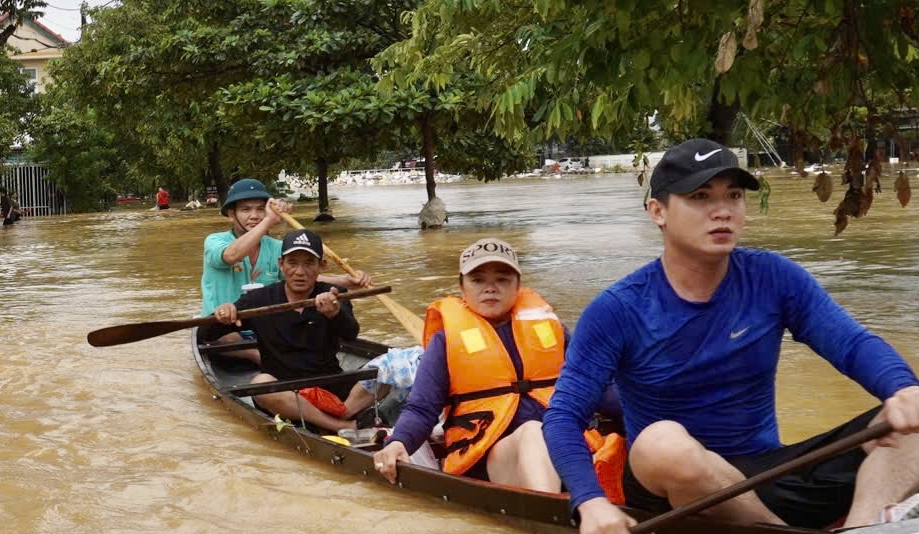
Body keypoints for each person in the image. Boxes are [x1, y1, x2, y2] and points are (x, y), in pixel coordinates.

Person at [542, 138, 919, 534]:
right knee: (661, 442)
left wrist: (902, 389)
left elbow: (851, 344)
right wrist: (591, 504)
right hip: (670, 490)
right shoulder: (618, 308)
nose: (722, 211)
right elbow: (562, 417)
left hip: (766, 473)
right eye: (700, 197)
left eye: (734, 196)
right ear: (658, 212)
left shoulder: (774, 277)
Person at [372, 239, 624, 494]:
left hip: (563, 443)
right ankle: (555, 514)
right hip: (487, 455)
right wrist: (399, 442)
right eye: (478, 280)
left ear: (518, 286)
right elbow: (422, 408)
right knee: (533, 433)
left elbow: (597, 388)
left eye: (502, 279)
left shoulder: (552, 330)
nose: (490, 288)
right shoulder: (445, 342)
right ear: (462, 288)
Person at [210, 228, 368, 431]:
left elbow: (351, 334)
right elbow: (207, 336)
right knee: (261, 383)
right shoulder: (259, 300)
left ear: (322, 266)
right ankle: (338, 424)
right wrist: (223, 314)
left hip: (330, 386)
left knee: (398, 363)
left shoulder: (333, 295)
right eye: (292, 263)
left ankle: (344, 411)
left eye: (309, 263)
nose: (300, 272)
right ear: (281, 265)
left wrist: (334, 313)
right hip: (284, 392)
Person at [200, 178, 289, 313]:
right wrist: (268, 221)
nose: (254, 216)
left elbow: (299, 277)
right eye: (245, 209)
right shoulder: (214, 241)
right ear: (231, 214)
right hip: (220, 325)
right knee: (231, 336)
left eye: (260, 209)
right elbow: (231, 256)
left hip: (261, 327)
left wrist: (332, 283)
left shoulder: (277, 247)